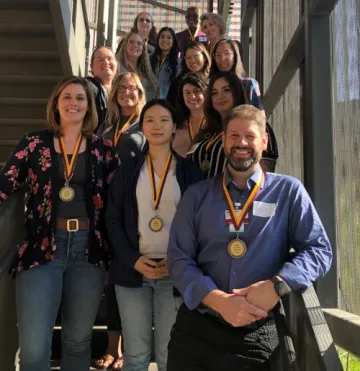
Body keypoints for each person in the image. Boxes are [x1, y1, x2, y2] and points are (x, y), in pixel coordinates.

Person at [167, 104, 333, 371]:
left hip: (258, 333)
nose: (241, 143)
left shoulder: (287, 192)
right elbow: (177, 259)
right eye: (233, 136)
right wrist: (218, 300)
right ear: (223, 140)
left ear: (264, 140)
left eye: (250, 136)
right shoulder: (196, 195)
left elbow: (319, 250)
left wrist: (278, 285)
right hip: (197, 331)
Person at [0, 76, 119, 371]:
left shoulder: (103, 150)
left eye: (80, 98)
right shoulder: (33, 143)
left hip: (88, 252)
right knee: (34, 346)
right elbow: (4, 186)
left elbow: (120, 201)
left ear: (89, 106)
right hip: (41, 250)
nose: (73, 103)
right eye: (66, 97)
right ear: (55, 103)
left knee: (78, 343)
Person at [106, 99, 204, 371]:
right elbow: (112, 220)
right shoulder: (127, 170)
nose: (157, 126)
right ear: (142, 127)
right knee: (135, 355)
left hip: (173, 273)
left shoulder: (189, 172)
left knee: (168, 355)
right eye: (150, 120)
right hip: (133, 272)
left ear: (174, 128)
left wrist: (177, 261)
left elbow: (199, 225)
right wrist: (132, 260)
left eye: (164, 120)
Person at [95, 72, 146, 370]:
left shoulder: (146, 126)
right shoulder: (106, 128)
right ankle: (113, 348)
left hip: (134, 211)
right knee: (113, 280)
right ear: (114, 94)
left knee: (127, 279)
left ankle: (128, 348)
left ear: (141, 94)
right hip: (105, 210)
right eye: (122, 88)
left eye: (133, 89)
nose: (127, 92)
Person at [173, 73, 209, 157]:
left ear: (206, 93)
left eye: (196, 91)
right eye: (187, 92)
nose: (192, 96)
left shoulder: (215, 122)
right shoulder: (176, 123)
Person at [167, 41, 211, 108]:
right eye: (188, 58)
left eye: (196, 56)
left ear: (204, 57)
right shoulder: (177, 83)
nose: (192, 60)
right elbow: (170, 106)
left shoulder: (213, 79)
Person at [117, 31, 158, 101]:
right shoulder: (117, 66)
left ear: (143, 48)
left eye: (139, 43)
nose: (135, 45)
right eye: (131, 42)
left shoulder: (147, 70)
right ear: (125, 45)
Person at [86, 46, 118, 131]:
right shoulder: (87, 87)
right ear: (91, 66)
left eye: (110, 58)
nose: (106, 62)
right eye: (100, 59)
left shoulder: (121, 91)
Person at [150, 27, 180, 99]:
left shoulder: (179, 63)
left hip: (167, 105)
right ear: (158, 40)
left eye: (169, 37)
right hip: (148, 103)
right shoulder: (148, 58)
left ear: (173, 42)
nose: (165, 40)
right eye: (162, 37)